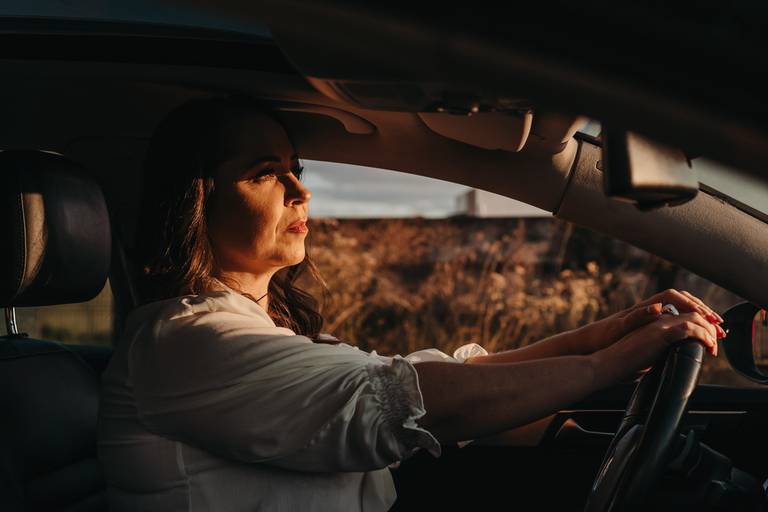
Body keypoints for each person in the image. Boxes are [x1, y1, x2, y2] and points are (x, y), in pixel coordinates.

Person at [97, 96, 726, 512]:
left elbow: (439, 380)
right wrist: (607, 366)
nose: (299, 190)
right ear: (198, 200)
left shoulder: (255, 335)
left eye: (296, 169)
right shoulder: (181, 341)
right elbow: (405, 405)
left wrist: (609, 334)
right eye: (265, 172)